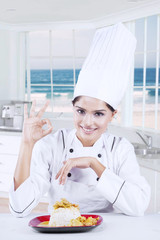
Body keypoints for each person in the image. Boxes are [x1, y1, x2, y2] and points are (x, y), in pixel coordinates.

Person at [9, 23, 150, 217]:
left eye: (98, 114)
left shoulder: (119, 148)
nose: (87, 122)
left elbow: (138, 206)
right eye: (81, 111)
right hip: (60, 228)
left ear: (113, 114)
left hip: (107, 229)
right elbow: (19, 208)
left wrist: (94, 163)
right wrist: (26, 144)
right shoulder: (52, 145)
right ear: (72, 108)